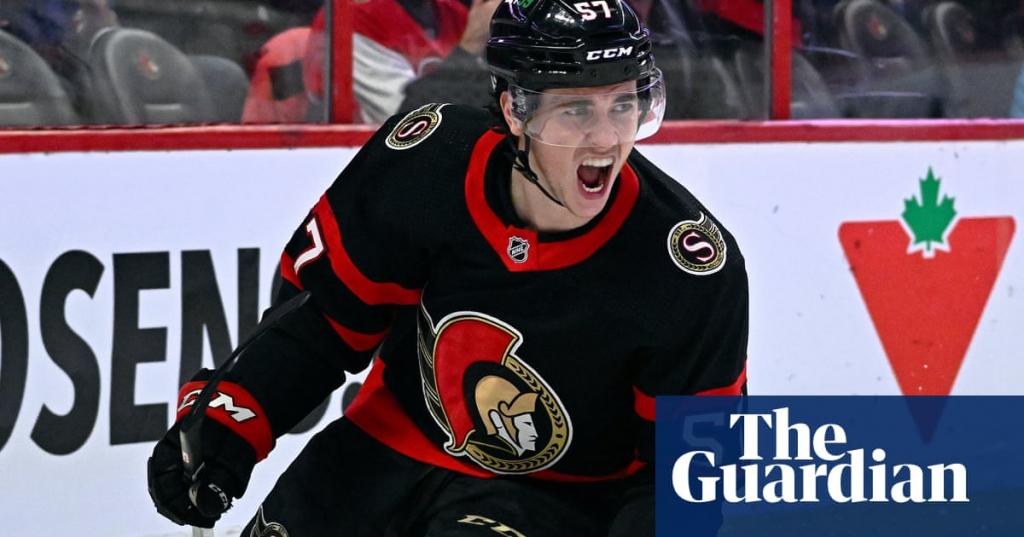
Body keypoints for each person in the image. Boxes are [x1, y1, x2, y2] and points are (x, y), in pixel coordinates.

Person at [147, 0, 749, 535]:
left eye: (623, 105)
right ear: (515, 110)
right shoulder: (427, 163)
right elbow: (324, 322)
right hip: (385, 446)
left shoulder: (687, 268)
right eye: (575, 110)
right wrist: (231, 419)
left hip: (556, 497)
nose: (606, 140)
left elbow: (685, 476)